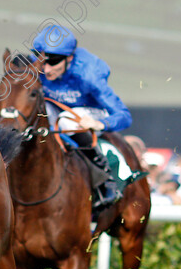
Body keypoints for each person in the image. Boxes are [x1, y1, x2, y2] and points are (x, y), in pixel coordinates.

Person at [31, 24, 131, 210]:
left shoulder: (89, 75)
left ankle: (105, 180)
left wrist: (99, 123)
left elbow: (124, 116)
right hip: (56, 111)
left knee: (68, 119)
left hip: (91, 113)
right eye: (41, 60)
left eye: (52, 62)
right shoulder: (37, 65)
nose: (45, 69)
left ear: (69, 58)